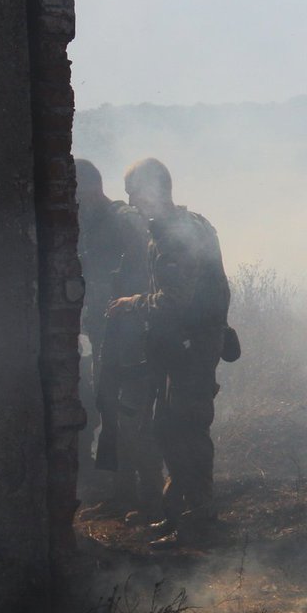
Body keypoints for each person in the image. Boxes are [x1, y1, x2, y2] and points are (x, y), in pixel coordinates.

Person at [106, 158, 231, 547]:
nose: (130, 200)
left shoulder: (174, 236)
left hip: (189, 349)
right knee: (170, 428)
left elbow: (175, 300)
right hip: (187, 347)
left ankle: (198, 520)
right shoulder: (188, 225)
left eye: (133, 192)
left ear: (152, 190)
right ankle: (182, 513)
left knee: (186, 431)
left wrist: (132, 303)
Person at [74, 159, 163, 517]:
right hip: (105, 333)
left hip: (131, 334)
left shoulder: (124, 219)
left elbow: (149, 274)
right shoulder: (88, 223)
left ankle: (150, 497)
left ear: (91, 188)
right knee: (109, 411)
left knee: (132, 417)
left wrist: (136, 312)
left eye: (77, 191)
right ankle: (122, 495)